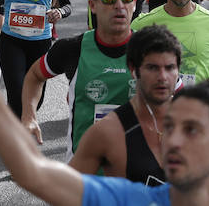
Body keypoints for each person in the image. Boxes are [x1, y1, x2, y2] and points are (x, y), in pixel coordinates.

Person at [0, 2, 209, 205]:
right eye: (170, 127)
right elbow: (32, 172)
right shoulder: (132, 198)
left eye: (192, 130)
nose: (172, 140)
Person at [22, 0, 136, 156]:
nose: (119, 5)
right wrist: (29, 114)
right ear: (92, 5)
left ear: (134, 3)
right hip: (83, 173)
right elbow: (35, 75)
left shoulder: (151, 50)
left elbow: (180, 97)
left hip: (134, 176)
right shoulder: (73, 48)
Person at [70, 24, 178, 186]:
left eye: (170, 68)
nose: (162, 77)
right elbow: (70, 189)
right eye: (152, 68)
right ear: (133, 69)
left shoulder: (192, 124)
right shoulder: (107, 131)